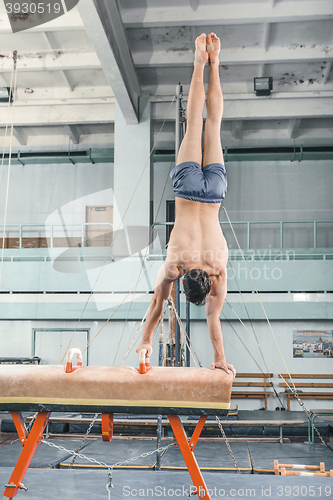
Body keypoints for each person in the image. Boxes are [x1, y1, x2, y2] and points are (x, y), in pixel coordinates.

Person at [136, 33, 236, 377]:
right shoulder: (174, 265)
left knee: (214, 127)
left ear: (207, 284)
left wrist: (221, 358)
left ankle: (215, 62)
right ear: (183, 282)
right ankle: (199, 62)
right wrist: (146, 339)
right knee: (196, 123)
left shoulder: (218, 271)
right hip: (187, 188)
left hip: (215, 193)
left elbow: (213, 317)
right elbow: (156, 304)